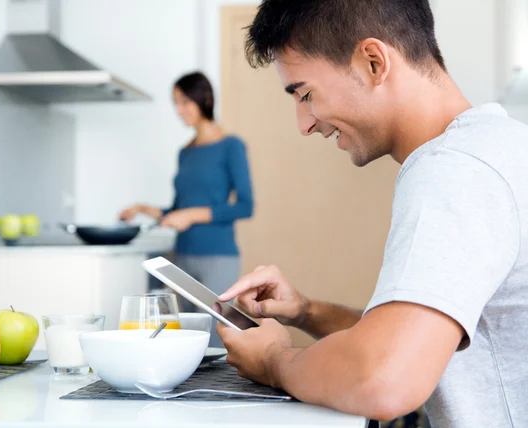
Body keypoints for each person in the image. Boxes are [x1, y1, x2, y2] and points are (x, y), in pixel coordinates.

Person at [215, 1, 528, 426]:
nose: (304, 124)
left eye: (306, 94)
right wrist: (306, 311)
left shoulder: (454, 170)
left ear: (374, 62)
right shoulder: (497, 146)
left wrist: (273, 360)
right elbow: (416, 340)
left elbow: (384, 377)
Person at [120, 71, 254, 347]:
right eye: (175, 103)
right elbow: (178, 210)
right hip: (182, 258)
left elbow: (245, 206)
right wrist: (143, 208)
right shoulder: (186, 152)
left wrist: (191, 216)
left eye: (184, 102)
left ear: (205, 99)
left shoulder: (231, 146)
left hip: (217, 258)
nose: (179, 111)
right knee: (187, 341)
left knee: (218, 341)